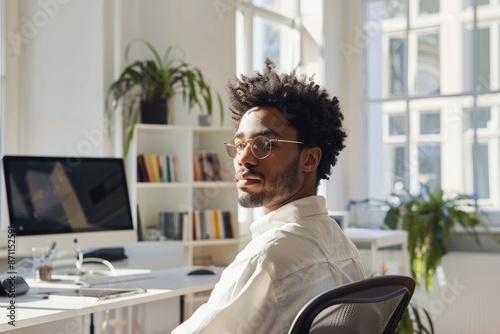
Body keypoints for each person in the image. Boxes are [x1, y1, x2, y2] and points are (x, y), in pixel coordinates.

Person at [172, 59, 365, 334]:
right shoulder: (345, 249)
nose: (243, 159)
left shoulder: (267, 258)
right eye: (240, 145)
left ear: (309, 159)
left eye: (264, 144)